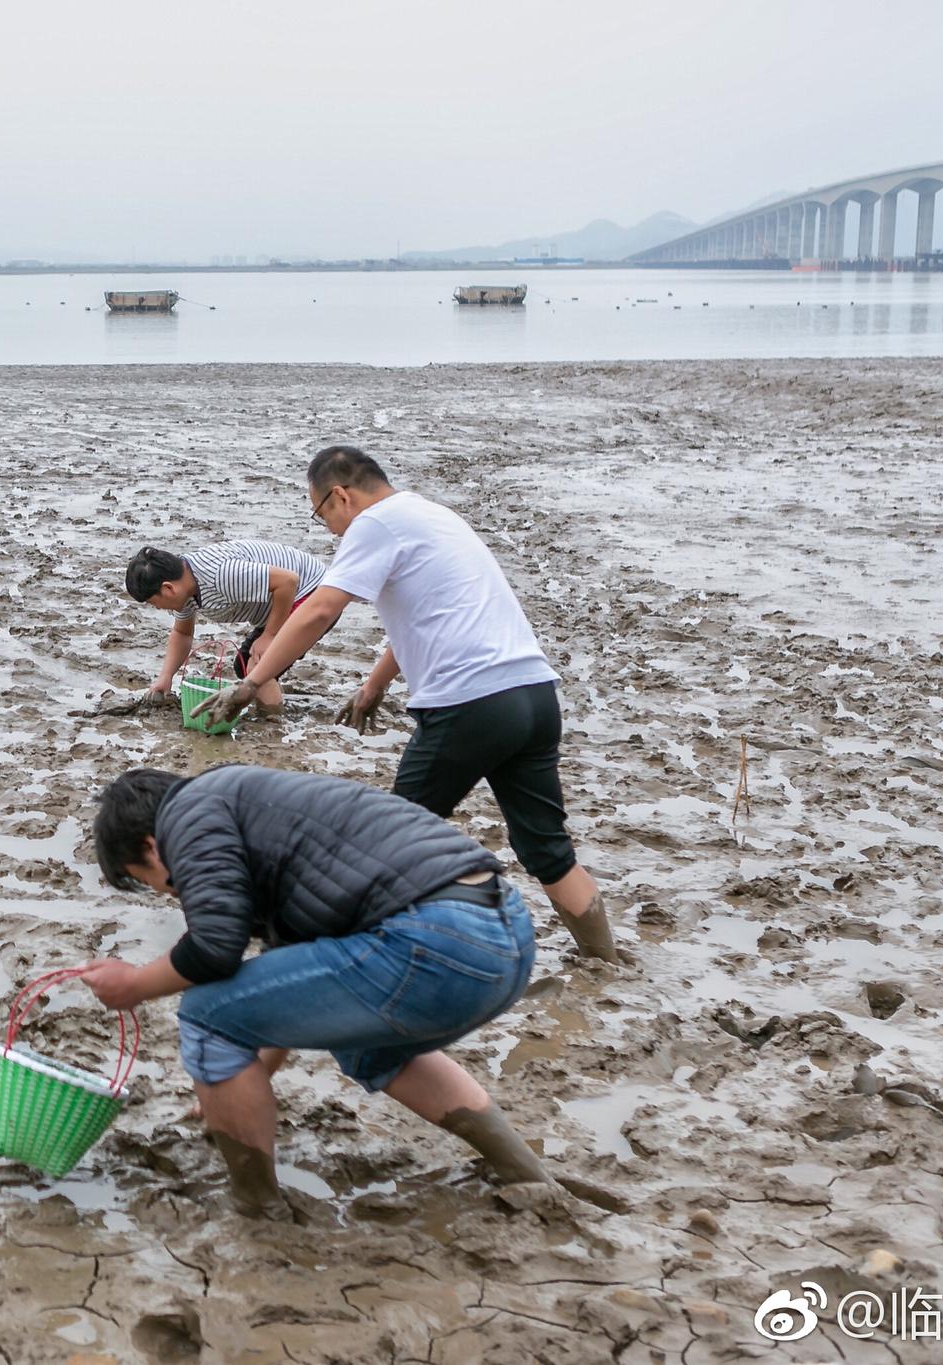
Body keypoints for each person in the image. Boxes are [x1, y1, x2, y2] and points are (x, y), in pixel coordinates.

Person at [193, 445, 620, 962]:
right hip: (532, 697)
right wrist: (373, 687)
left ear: (341, 496)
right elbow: (424, 615)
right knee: (546, 850)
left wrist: (249, 684)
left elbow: (320, 608)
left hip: (471, 704)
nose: (329, 530)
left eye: (321, 513)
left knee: (388, 839)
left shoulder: (374, 525)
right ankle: (605, 963)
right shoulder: (434, 516)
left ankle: (366, 958)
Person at [80, 764, 550, 1219]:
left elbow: (215, 948)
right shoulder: (252, 808)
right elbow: (289, 993)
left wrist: (135, 984)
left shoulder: (189, 813)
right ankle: (526, 1176)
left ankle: (257, 1208)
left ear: (151, 845)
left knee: (205, 1012)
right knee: (369, 1049)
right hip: (504, 940)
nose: (176, 895)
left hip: (434, 940)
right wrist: (235, 1081)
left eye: (160, 884)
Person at [123, 541, 328, 716]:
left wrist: (270, 635)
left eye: (153, 602)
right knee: (243, 666)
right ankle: (270, 704)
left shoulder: (219, 575)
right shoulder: (186, 588)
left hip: (313, 591)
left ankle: (271, 726)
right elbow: (182, 633)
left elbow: (287, 580)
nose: (157, 608)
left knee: (259, 666)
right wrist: (165, 677)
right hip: (281, 601)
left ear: (168, 588)